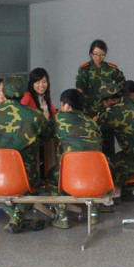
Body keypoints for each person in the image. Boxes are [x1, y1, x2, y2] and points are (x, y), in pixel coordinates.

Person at [0, 76, 48, 233]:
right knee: (36, 186)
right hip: (26, 178)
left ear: (3, 93)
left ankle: (16, 218)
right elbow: (45, 138)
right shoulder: (35, 115)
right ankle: (18, 217)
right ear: (24, 93)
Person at [46, 89, 103, 226]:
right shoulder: (92, 122)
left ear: (66, 106)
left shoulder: (60, 118)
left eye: (60, 105)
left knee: (52, 176)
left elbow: (45, 134)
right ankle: (93, 213)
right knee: (89, 170)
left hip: (72, 176)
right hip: (98, 175)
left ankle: (62, 217)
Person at [97, 82, 134, 207]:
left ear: (109, 101)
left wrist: (96, 119)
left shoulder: (114, 113)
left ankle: (108, 200)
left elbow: (94, 127)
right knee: (120, 159)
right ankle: (122, 191)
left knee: (107, 164)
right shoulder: (133, 103)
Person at [76, 39, 125, 156]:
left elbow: (122, 83)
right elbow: (79, 87)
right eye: (96, 54)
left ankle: (109, 165)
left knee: (108, 142)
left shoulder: (111, 69)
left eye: (102, 54)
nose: (98, 57)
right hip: (89, 111)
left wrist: (114, 97)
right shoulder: (85, 69)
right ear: (91, 53)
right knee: (92, 143)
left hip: (106, 110)